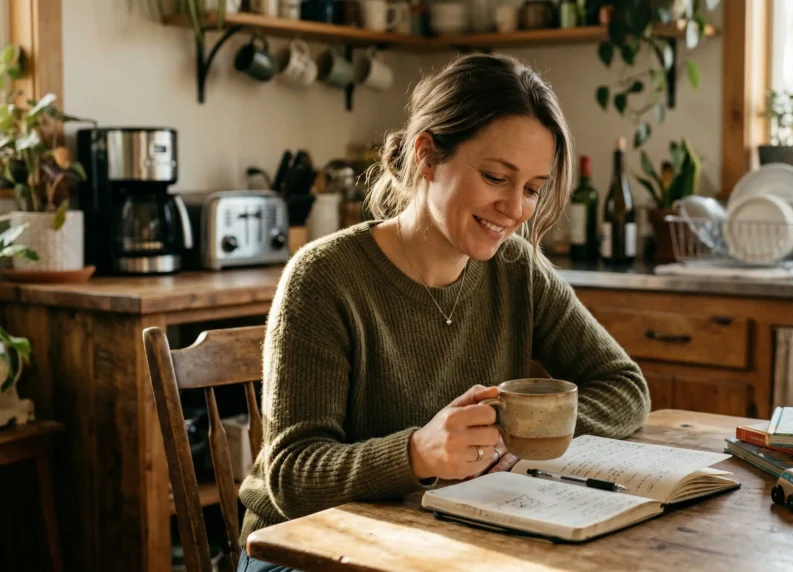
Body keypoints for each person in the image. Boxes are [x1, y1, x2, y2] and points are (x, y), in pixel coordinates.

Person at [236, 53, 650, 571]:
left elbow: (623, 385)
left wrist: (525, 433)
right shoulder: (322, 278)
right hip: (300, 549)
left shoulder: (516, 268)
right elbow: (293, 475)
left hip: (438, 535)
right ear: (426, 155)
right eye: (497, 177)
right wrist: (416, 453)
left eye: (532, 189)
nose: (516, 210)